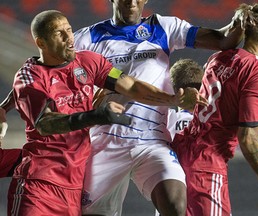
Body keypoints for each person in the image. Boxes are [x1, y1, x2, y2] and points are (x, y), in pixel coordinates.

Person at [5, 10, 204, 216]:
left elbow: (131, 85)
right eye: (59, 33)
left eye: (69, 30)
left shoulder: (89, 61)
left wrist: (172, 99)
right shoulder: (30, 76)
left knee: (175, 204)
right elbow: (45, 124)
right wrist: (96, 116)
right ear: (41, 43)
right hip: (39, 183)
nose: (68, 38)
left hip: (73, 186)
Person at [73, 0, 249, 215]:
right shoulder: (85, 38)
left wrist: (241, 20)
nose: (131, 1)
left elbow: (223, 40)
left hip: (152, 140)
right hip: (106, 140)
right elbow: (57, 79)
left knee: (174, 203)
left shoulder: (163, 27)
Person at [171, 3, 258, 216]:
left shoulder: (218, 58)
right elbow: (248, 137)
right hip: (206, 167)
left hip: (180, 154)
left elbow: (255, 142)